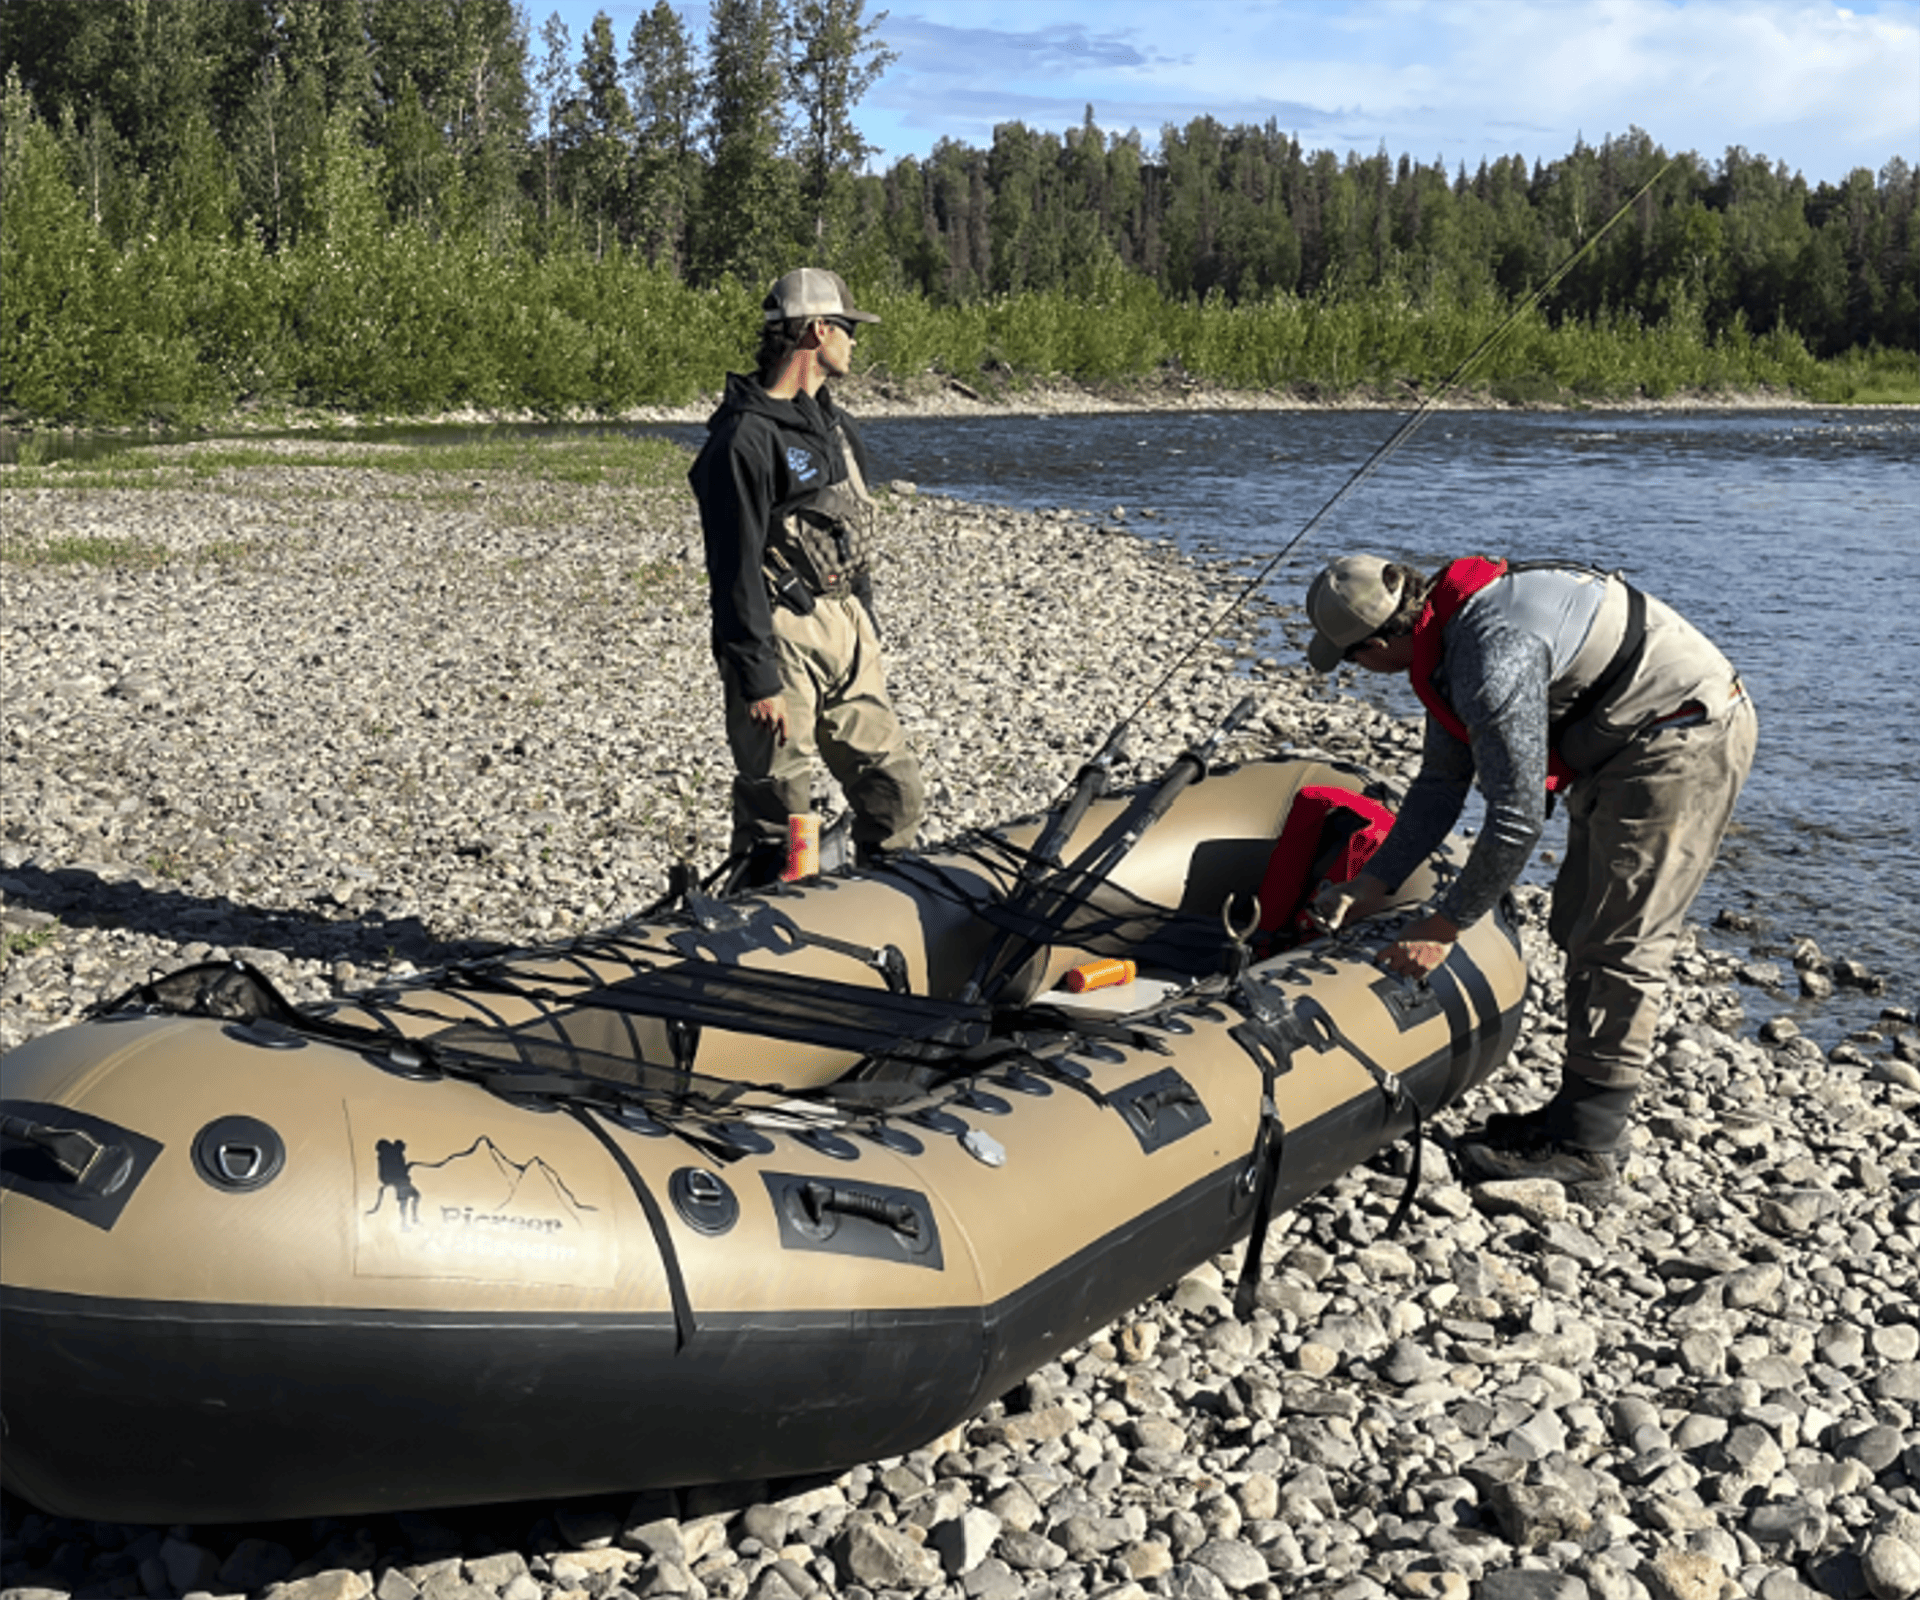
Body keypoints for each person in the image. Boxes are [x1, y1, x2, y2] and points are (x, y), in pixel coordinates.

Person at [1302, 553, 1757, 1201]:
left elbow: (1515, 819)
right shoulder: (1448, 635)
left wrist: (1445, 925)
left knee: (1620, 942)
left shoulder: (1489, 658)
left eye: (1350, 659)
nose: (1356, 672)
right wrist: (1372, 882)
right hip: (1620, 742)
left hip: (1679, 735)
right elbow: (1439, 784)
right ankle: (1574, 1113)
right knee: (1575, 919)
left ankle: (1589, 1147)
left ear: (1378, 644)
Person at [687, 268, 926, 886]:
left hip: (845, 627)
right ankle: (768, 920)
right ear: (817, 331)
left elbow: (853, 534)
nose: (855, 342)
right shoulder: (741, 440)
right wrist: (757, 678)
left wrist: (865, 622)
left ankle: (890, 896)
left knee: (893, 784)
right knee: (782, 806)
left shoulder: (837, 429)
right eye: (848, 329)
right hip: (779, 633)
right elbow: (732, 570)